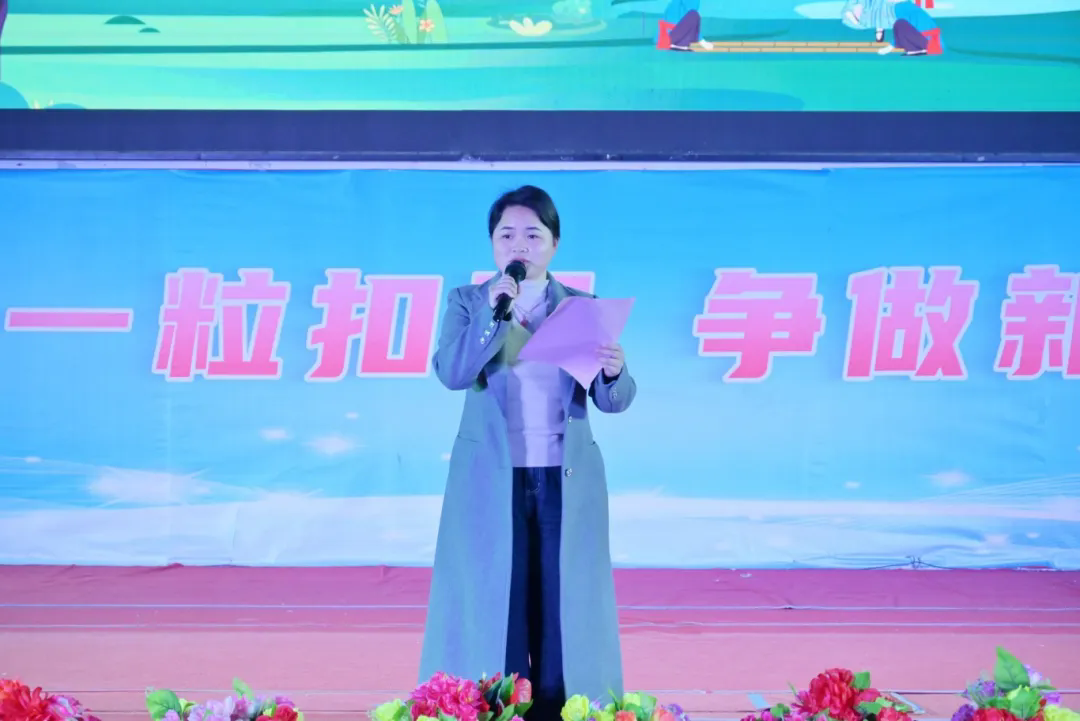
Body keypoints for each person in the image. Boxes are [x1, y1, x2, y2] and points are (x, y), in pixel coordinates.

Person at [418, 185, 636, 721]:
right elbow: (452, 372)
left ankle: (564, 709)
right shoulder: (469, 302)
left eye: (533, 235)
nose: (519, 245)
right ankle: (500, 708)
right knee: (500, 605)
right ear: (492, 243)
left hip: (566, 478)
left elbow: (614, 400)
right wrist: (497, 313)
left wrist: (613, 372)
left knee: (564, 607)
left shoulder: (581, 307)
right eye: (507, 235)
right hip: (491, 479)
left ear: (555, 243)